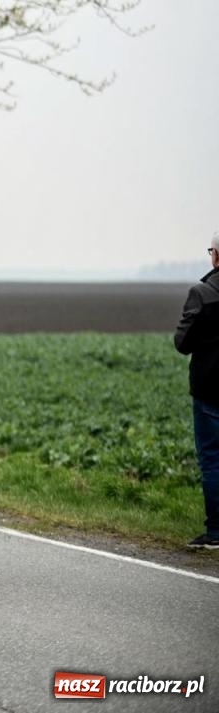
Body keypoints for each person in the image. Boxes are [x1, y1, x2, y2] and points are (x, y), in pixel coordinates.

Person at [173, 231, 219, 550]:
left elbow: (182, 342)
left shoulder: (202, 294)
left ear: (216, 256)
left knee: (213, 459)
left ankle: (216, 532)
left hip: (211, 390)